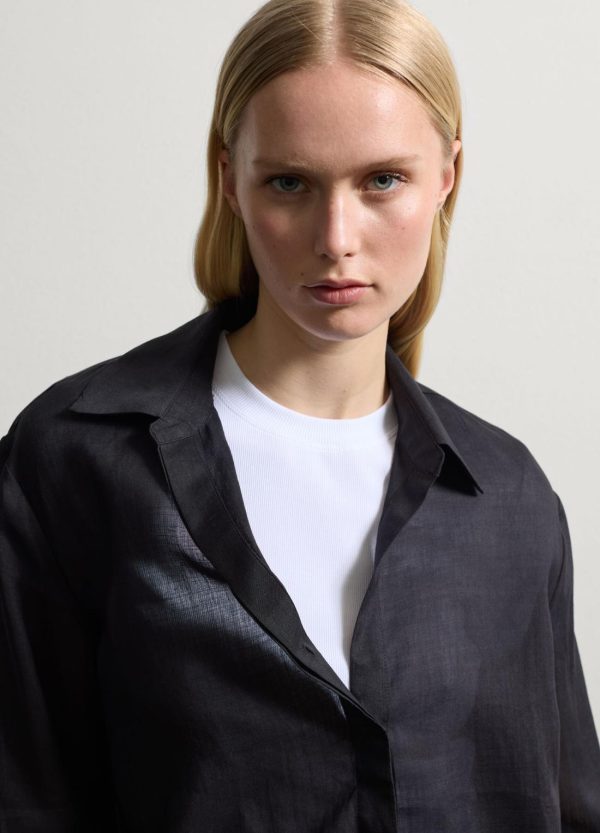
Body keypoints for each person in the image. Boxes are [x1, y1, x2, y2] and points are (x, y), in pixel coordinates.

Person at [1, 0, 599, 830]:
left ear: (448, 176)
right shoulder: (74, 460)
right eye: (290, 182)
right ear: (229, 179)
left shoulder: (508, 497)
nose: (336, 238)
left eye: (382, 180)